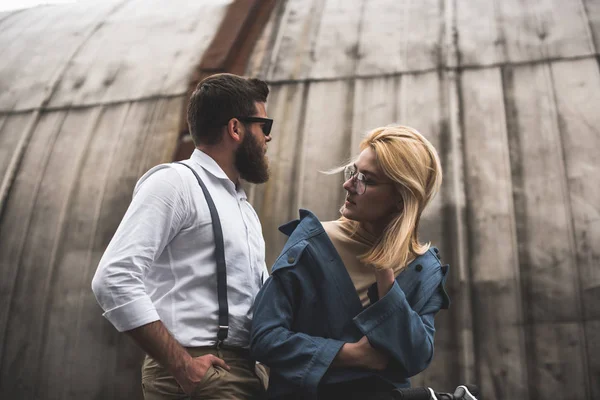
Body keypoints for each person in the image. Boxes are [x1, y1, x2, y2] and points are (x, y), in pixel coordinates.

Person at [92, 73, 273, 400]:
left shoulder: (242, 205)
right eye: (264, 126)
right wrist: (182, 365)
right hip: (201, 370)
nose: (268, 139)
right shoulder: (175, 183)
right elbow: (113, 277)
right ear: (235, 128)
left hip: (245, 370)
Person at [250, 125, 451, 400]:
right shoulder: (313, 242)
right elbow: (265, 337)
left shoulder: (423, 269)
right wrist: (351, 355)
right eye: (352, 172)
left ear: (401, 197)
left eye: (366, 179)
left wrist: (388, 288)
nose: (348, 185)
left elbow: (416, 357)